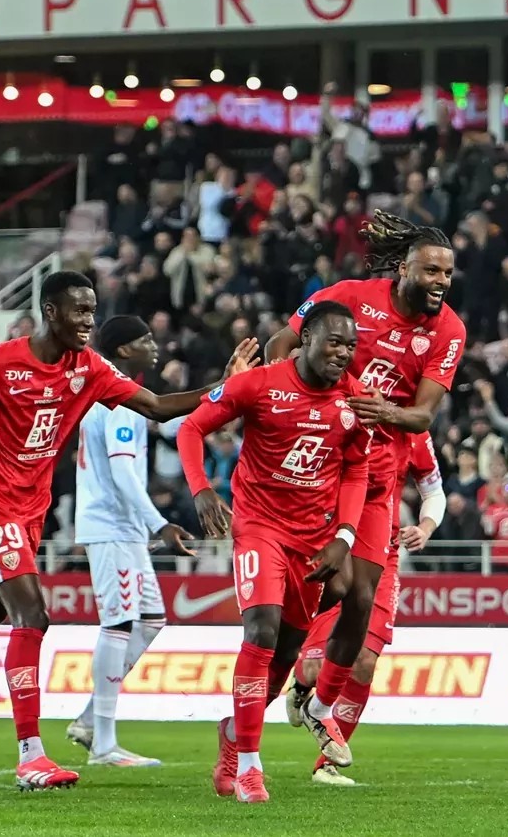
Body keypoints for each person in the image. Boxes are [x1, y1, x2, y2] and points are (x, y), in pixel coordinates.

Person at [0, 271, 257, 791]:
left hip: (30, 512)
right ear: (50, 312)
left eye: (92, 311)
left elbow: (160, 408)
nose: (88, 321)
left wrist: (227, 387)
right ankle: (32, 755)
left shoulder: (89, 368)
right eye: (78, 311)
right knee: (33, 615)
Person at [263, 211, 465, 763]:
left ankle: (317, 706)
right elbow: (282, 343)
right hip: (317, 470)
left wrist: (389, 412)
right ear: (403, 268)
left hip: (378, 479)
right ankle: (263, 706)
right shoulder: (349, 297)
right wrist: (273, 399)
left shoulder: (448, 330)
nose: (441, 282)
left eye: (448, 273)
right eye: (431, 271)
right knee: (299, 607)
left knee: (361, 598)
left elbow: (423, 417)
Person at [178, 300, 373, 803]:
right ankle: (249, 768)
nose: (342, 354)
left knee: (285, 654)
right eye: (334, 342)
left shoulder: (354, 402)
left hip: (314, 540)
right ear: (305, 339)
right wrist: (201, 489)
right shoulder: (260, 384)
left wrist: (344, 536)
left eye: (351, 346)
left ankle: (231, 736)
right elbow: (191, 427)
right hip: (259, 526)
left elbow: (356, 469)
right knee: (260, 629)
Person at [66, 316, 197, 766]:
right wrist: (159, 523)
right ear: (123, 350)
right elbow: (122, 473)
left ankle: (88, 719)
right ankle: (102, 743)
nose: (154, 346)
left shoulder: (118, 397)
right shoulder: (120, 403)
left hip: (122, 528)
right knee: (119, 623)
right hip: (112, 526)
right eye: (144, 340)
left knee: (151, 619)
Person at [286, 430, 446, 785]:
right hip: (332, 548)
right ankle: (299, 685)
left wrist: (426, 526)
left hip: (382, 554)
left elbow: (433, 491)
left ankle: (325, 763)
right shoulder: (338, 415)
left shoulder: (413, 430)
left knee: (365, 662)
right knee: (314, 668)